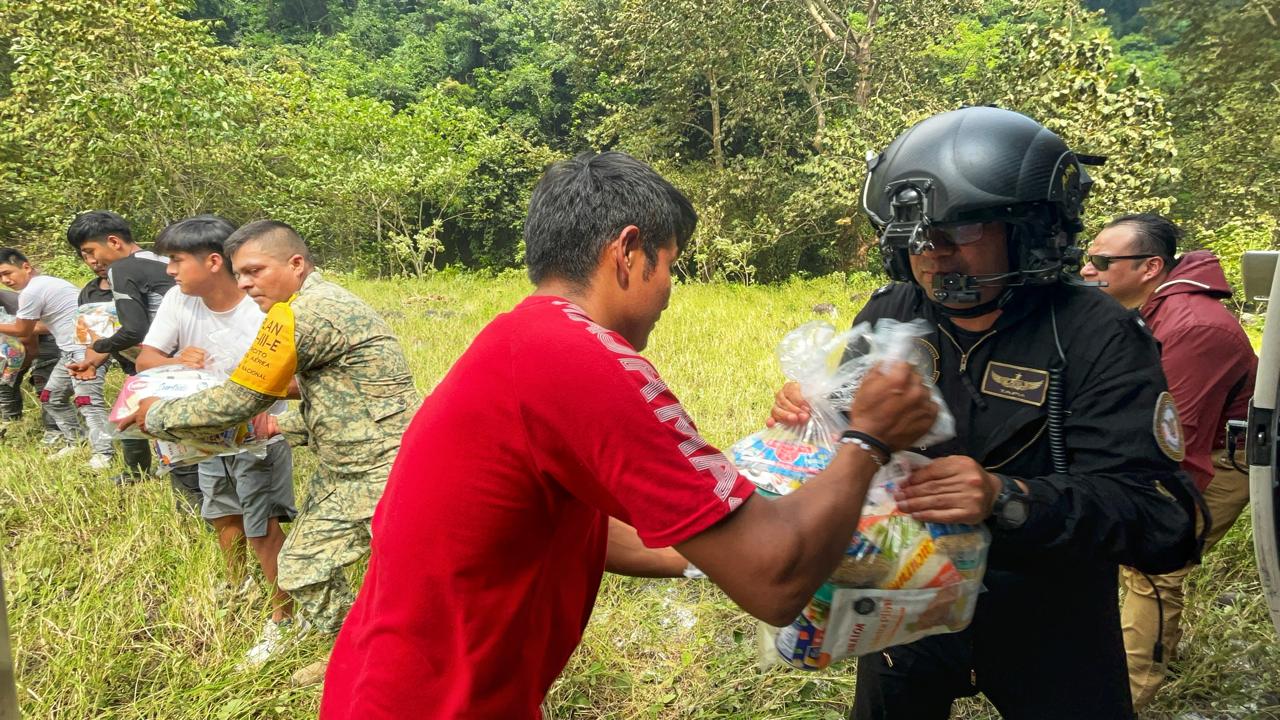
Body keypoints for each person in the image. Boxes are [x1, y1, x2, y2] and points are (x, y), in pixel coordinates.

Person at [317, 151, 940, 719]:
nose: (669, 291)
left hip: (385, 689)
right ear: (629, 250)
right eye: (670, 266)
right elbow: (774, 583)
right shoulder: (583, 359)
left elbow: (575, 526)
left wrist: (716, 552)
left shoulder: (520, 339)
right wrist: (867, 441)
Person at [770, 107, 1199, 719]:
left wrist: (1008, 497)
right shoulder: (894, 312)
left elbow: (1163, 519)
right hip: (905, 596)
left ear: (1031, 230)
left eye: (962, 230)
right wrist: (814, 417)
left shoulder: (1097, 333)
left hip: (1051, 617)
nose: (933, 256)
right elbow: (850, 441)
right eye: (917, 237)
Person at [115, 219, 419, 684]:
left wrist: (156, 414)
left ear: (296, 264)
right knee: (308, 567)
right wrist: (282, 423)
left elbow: (241, 399)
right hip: (353, 463)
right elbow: (347, 396)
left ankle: (386, 665)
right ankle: (360, 654)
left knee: (397, 579)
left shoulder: (305, 314)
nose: (244, 283)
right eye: (239, 273)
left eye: (255, 271)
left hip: (381, 468)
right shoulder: (315, 303)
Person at [1083, 213, 1256, 709]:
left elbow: (1177, 438)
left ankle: (1129, 694)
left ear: (1150, 267)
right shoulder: (1151, 309)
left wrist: (1152, 512)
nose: (1088, 270)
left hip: (1223, 458)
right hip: (1197, 445)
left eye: (1102, 262)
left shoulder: (1193, 327)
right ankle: (1156, 652)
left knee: (1152, 567)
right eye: (1088, 259)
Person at [135, 215, 299, 666]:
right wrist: (176, 362)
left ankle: (284, 618)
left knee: (262, 524)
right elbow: (146, 359)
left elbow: (296, 377)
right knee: (221, 511)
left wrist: (259, 399)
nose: (169, 270)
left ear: (211, 262)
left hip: (257, 436)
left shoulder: (263, 307)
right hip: (204, 433)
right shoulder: (178, 300)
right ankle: (238, 585)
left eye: (176, 260)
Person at [0, 248, 114, 467]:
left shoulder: (32, 291)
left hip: (86, 351)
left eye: (8, 273)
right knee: (50, 398)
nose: (5, 281)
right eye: (0, 277)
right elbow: (38, 327)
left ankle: (104, 453)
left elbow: (23, 330)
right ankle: (76, 440)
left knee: (88, 402)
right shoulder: (45, 284)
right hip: (69, 351)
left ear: (26, 267)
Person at [0, 288, 60, 442]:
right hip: (11, 342)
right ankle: (11, 423)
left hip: (47, 337)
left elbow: (32, 340)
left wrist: (22, 363)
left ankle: (55, 430)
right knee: (5, 380)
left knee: (44, 384)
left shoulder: (16, 302)